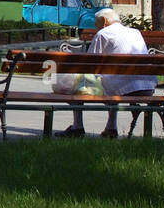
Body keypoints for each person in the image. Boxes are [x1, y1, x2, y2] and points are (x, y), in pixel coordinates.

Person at [57, 8, 155, 139]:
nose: (96, 28)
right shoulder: (135, 32)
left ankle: (77, 127)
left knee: (75, 84)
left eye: (96, 25)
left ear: (104, 21)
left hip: (121, 88)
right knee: (111, 80)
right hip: (146, 87)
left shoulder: (103, 33)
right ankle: (110, 128)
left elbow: (89, 65)